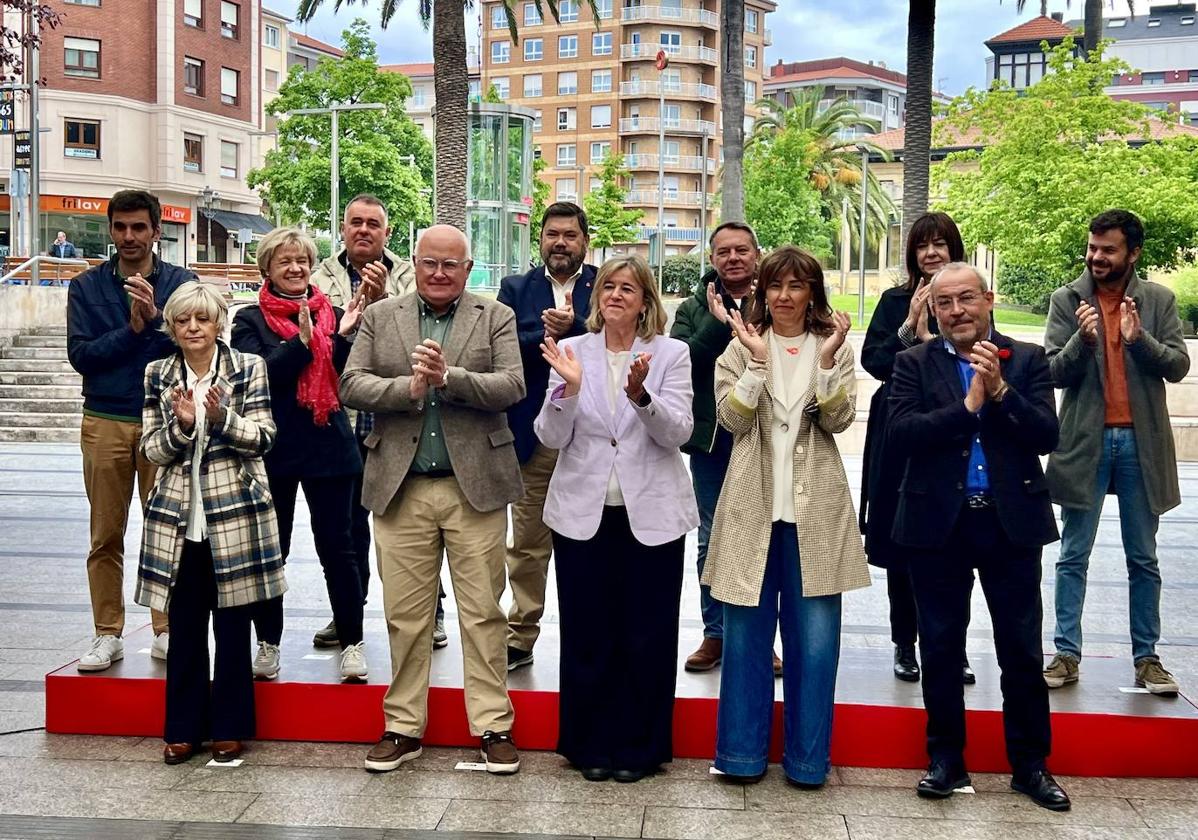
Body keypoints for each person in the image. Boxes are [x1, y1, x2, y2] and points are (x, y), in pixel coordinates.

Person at [341, 224, 526, 776]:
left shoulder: (495, 316)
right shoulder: (381, 315)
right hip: (402, 488)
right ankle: (402, 728)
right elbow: (351, 384)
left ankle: (493, 725)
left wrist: (451, 378)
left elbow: (513, 385)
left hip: (476, 489)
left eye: (451, 264)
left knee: (483, 614)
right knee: (405, 616)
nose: (440, 273)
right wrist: (409, 390)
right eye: (430, 263)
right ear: (414, 264)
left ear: (469, 269)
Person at [888, 262, 1069, 811]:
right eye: (944, 303)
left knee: (1019, 649)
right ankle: (946, 761)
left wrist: (1000, 393)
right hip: (938, 524)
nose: (957, 311)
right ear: (933, 310)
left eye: (966, 299)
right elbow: (901, 435)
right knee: (940, 646)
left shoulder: (1029, 358)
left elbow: (1046, 434)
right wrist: (967, 408)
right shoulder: (913, 364)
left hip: (1009, 522)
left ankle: (1031, 766)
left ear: (989, 299)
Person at [703, 246, 866, 788]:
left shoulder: (832, 348)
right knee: (746, 643)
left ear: (812, 293)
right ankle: (741, 756)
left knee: (815, 648)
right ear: (762, 292)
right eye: (775, 286)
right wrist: (752, 366)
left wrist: (825, 365)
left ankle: (807, 761)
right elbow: (729, 419)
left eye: (797, 286)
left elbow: (841, 419)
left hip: (815, 513)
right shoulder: (739, 348)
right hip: (751, 510)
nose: (785, 296)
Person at [535, 254, 696, 783]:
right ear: (595, 298)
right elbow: (550, 437)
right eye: (608, 286)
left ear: (646, 300)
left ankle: (640, 748)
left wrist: (642, 398)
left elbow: (678, 433)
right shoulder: (571, 351)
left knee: (646, 634)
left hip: (650, 513)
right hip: (583, 512)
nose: (616, 295)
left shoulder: (671, 353)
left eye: (629, 288)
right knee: (588, 632)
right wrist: (571, 390)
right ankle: (589, 746)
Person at [136, 281, 285, 765]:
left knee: (233, 628)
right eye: (183, 320)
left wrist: (220, 419)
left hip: (236, 517)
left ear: (220, 322)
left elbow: (264, 437)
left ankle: (229, 727)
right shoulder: (158, 374)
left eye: (203, 318)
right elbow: (151, 449)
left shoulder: (248, 368)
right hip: (177, 520)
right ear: (172, 327)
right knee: (184, 628)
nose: (194, 328)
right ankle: (182, 729)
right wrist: (180, 427)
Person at [1043, 209, 1190, 695]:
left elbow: (1177, 365)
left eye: (1108, 249)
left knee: (1143, 558)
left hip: (1140, 444)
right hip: (1084, 441)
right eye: (1093, 248)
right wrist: (1084, 343)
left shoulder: (1158, 300)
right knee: (1073, 554)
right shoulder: (1068, 300)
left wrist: (1138, 339)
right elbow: (1051, 373)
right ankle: (1065, 654)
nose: (1097, 257)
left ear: (1133, 253)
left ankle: (1147, 659)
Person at [231, 227, 367, 683]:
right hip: (276, 449)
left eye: (303, 260)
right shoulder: (249, 320)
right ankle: (268, 643)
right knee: (274, 551)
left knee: (339, 549)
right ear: (266, 268)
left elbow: (348, 377)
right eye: (285, 261)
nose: (295, 268)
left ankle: (352, 642)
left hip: (331, 444)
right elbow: (258, 377)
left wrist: (342, 338)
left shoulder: (331, 312)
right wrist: (302, 343)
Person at [66, 189, 195, 672]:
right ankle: (107, 632)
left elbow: (197, 345)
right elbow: (82, 356)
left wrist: (157, 319)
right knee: (105, 535)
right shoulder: (87, 288)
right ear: (111, 230)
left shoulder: (182, 283)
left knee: (168, 533)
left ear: (157, 231)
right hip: (105, 421)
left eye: (139, 227)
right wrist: (133, 331)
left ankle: (166, 629)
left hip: (165, 423)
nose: (128, 236)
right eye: (120, 227)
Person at [860, 212, 974, 685]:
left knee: (955, 543)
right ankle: (904, 643)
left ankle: (952, 648)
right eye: (922, 246)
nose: (931, 253)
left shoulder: (966, 303)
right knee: (902, 541)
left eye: (940, 244)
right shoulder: (894, 301)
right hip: (900, 430)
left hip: (952, 430)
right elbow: (874, 361)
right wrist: (910, 329)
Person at [310, 194, 422, 650]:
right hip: (342, 417)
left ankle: (428, 614)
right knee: (347, 529)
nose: (363, 230)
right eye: (355, 222)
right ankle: (347, 614)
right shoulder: (320, 276)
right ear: (343, 228)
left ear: (387, 233)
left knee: (415, 523)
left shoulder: (411, 275)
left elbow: (419, 331)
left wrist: (384, 300)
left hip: (399, 418)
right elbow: (320, 340)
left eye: (373, 224)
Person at [671, 221, 780, 676]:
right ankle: (715, 633)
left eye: (742, 250)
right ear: (712, 259)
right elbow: (678, 362)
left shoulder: (780, 300)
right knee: (712, 537)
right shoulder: (694, 307)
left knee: (768, 537)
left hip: (770, 437)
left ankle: (759, 639)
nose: (733, 258)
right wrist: (719, 328)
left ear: (756, 254)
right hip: (714, 439)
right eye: (723, 252)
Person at [497, 201, 596, 671]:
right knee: (529, 542)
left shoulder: (607, 283)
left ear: (584, 241)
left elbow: (625, 339)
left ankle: (589, 636)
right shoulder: (516, 288)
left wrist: (575, 327)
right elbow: (498, 345)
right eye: (552, 234)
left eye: (569, 235)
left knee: (590, 544)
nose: (560, 243)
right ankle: (521, 633)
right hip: (534, 436)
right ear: (540, 240)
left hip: (596, 440)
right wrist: (550, 334)